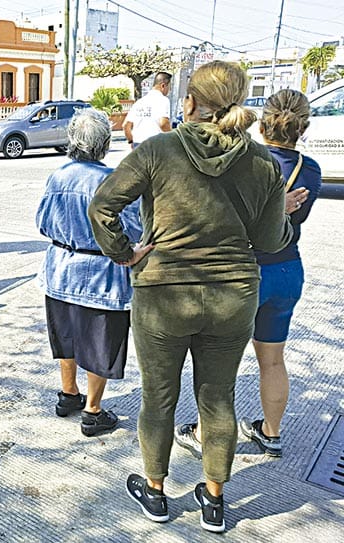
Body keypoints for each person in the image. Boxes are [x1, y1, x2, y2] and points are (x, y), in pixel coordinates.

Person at [88, 61, 293, 533]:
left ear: (190, 102)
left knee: (159, 397)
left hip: (162, 295)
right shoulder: (263, 162)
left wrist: (125, 253)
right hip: (233, 296)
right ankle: (215, 500)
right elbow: (270, 241)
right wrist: (284, 212)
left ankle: (156, 492)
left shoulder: (159, 149)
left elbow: (103, 207)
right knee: (218, 397)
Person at [174, 89, 322, 460]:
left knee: (221, 362)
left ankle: (205, 432)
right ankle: (271, 434)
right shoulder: (312, 169)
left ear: (262, 121)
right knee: (273, 359)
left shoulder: (243, 163)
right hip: (288, 269)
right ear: (302, 126)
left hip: (243, 273)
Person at [35, 109, 142, 437]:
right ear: (105, 143)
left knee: (65, 337)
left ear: (72, 141)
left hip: (61, 273)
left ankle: (69, 394)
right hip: (101, 277)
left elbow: (42, 222)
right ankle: (93, 411)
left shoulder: (59, 176)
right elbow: (134, 229)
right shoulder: (114, 180)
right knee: (99, 345)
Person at [123, 72, 172, 148]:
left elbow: (126, 125)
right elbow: (163, 124)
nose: (169, 90)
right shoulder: (163, 100)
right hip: (155, 145)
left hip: (138, 145)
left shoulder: (139, 102)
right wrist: (172, 138)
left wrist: (131, 141)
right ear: (163, 85)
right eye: (169, 87)